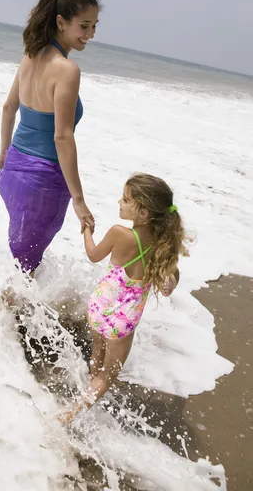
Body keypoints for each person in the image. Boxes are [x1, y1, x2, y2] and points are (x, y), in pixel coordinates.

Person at [59, 173, 190, 424]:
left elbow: (93, 254)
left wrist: (87, 230)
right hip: (123, 322)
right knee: (108, 375)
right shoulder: (163, 244)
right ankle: (71, 414)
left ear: (142, 212)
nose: (120, 202)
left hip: (99, 308)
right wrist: (169, 283)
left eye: (126, 199)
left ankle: (88, 383)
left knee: (98, 350)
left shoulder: (119, 233)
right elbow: (171, 281)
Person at [0, 0, 101, 277]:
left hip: (13, 171)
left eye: (94, 26)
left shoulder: (29, 55)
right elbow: (62, 136)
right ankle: (11, 319)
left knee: (21, 264)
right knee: (26, 269)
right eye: (84, 26)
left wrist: (4, 154)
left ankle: (6, 317)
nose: (90, 34)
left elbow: (8, 108)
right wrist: (79, 201)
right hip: (43, 183)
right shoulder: (67, 70)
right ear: (61, 22)